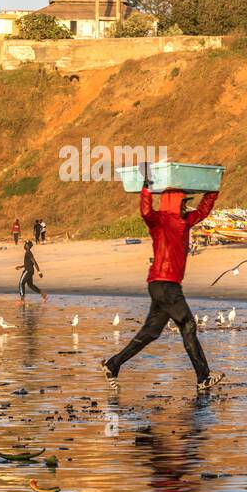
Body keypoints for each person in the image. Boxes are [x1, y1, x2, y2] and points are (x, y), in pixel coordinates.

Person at [101, 166, 221, 391]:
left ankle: (112, 365)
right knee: (188, 324)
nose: (188, 205)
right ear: (175, 202)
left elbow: (204, 210)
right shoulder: (159, 221)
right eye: (184, 202)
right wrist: (146, 188)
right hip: (166, 285)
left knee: (151, 332)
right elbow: (146, 212)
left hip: (161, 285)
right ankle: (203, 378)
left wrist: (213, 188)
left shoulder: (185, 222)